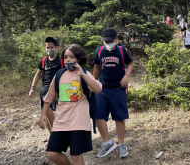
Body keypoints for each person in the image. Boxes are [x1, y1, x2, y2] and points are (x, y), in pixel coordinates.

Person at [39, 44, 102, 165]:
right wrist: (43, 115)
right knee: (51, 153)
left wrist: (82, 75)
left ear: (78, 59)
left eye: (71, 57)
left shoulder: (84, 73)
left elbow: (98, 89)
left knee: (76, 157)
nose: (68, 59)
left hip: (79, 122)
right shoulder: (59, 75)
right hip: (61, 122)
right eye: (66, 57)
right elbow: (49, 98)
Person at [93, 28, 134, 159]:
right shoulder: (99, 51)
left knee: (119, 117)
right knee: (97, 114)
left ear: (116, 39)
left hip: (118, 88)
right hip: (102, 89)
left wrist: (126, 76)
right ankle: (108, 142)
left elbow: (130, 64)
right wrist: (94, 83)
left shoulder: (121, 51)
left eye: (110, 41)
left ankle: (121, 144)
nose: (108, 43)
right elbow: (96, 67)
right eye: (105, 41)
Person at [29, 37, 64, 146]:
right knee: (46, 113)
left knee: (59, 114)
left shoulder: (61, 60)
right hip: (45, 90)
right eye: (47, 47)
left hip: (59, 90)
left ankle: (58, 135)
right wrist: (32, 88)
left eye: (51, 47)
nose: (49, 49)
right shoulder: (43, 61)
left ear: (57, 48)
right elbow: (38, 74)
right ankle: (53, 136)